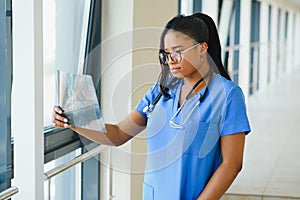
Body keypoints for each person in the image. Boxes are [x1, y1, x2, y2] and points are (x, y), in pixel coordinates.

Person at [53, 12, 251, 200]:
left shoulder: (228, 95)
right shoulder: (162, 90)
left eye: (178, 52)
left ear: (202, 48)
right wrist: (73, 120)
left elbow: (231, 164)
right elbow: (119, 134)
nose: (170, 61)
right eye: (166, 54)